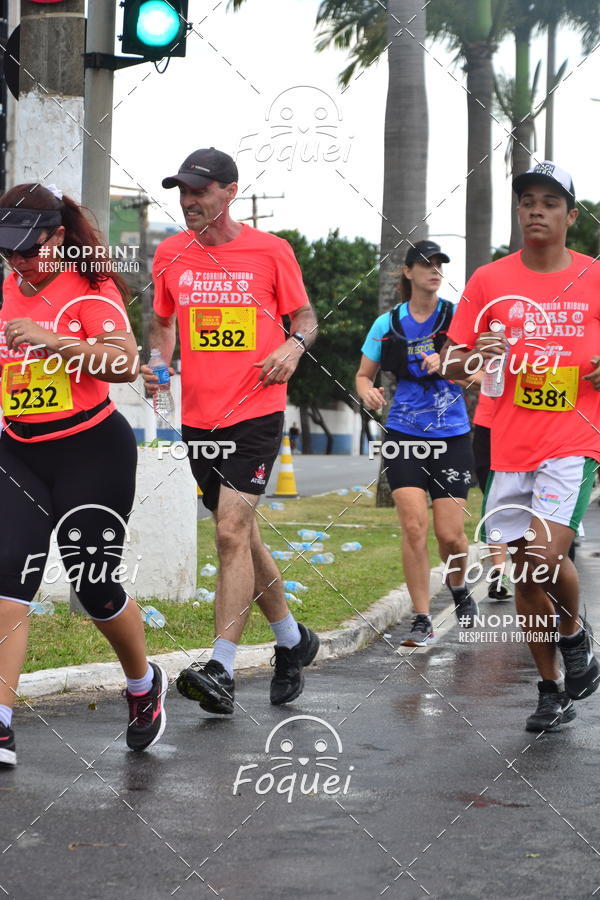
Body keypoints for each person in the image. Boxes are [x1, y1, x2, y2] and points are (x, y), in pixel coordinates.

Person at [142, 148, 319, 715]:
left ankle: (220, 665)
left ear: (230, 191)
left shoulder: (270, 252)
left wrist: (292, 347)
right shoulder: (170, 254)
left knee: (228, 533)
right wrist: (158, 364)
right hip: (200, 418)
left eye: (200, 191)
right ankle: (293, 642)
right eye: (182, 192)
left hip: (257, 413)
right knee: (241, 536)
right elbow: (163, 321)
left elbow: (306, 319)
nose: (189, 201)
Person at [0, 184, 167, 767]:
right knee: (5, 578)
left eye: (28, 249)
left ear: (58, 237)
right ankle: (0, 724)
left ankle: (144, 685)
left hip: (92, 452)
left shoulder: (89, 291)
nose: (18, 261)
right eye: (8, 251)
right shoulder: (7, 289)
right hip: (19, 450)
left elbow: (123, 364)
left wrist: (56, 342)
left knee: (92, 584)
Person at [442, 161, 600, 732]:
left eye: (550, 202)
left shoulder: (594, 277)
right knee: (533, 573)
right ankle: (552, 685)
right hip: (505, 444)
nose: (536, 208)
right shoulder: (488, 281)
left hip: (572, 442)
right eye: (527, 199)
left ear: (570, 217)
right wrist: (475, 354)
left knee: (536, 565)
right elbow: (454, 363)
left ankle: (576, 636)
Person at [355, 240, 478, 647]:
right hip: (404, 433)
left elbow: (476, 374)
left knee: (450, 536)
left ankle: (459, 588)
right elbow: (362, 375)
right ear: (408, 272)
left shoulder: (456, 318)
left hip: (452, 434)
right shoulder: (386, 324)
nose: (435, 269)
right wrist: (368, 391)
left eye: (440, 264)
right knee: (413, 526)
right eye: (426, 264)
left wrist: (448, 365)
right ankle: (422, 616)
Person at [471, 393, 512, 600]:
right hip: (488, 422)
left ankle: (539, 568)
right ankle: (499, 572)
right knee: (494, 496)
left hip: (527, 423)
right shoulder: (484, 359)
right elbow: (459, 371)